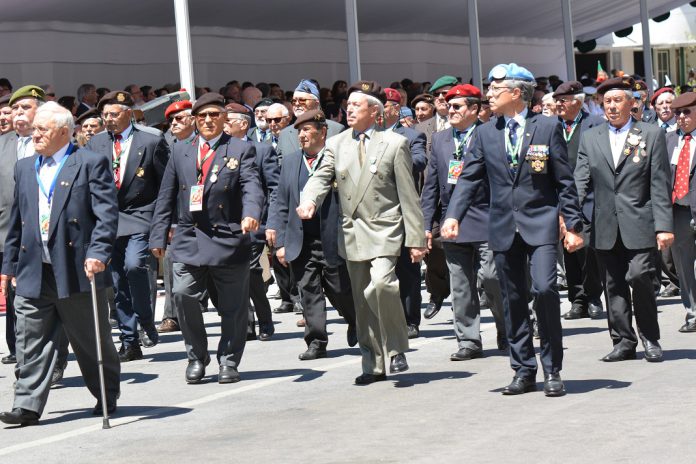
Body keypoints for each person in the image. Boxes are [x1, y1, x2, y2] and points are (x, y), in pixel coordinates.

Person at [441, 63, 585, 397]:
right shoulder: (485, 133)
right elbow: (469, 178)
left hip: (541, 224)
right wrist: (453, 215)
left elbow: (564, 181)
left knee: (546, 290)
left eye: (495, 89)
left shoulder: (547, 128)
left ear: (517, 93)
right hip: (504, 227)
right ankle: (523, 369)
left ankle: (552, 369)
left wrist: (573, 225)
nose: (489, 94)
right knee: (513, 299)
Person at [297, 81, 427, 385]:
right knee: (363, 301)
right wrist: (309, 200)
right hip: (352, 231)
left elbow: (409, 195)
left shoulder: (394, 144)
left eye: (357, 105)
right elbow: (320, 177)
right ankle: (373, 364)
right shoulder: (336, 144)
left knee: (382, 284)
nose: (350, 109)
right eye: (348, 105)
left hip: (385, 228)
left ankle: (396, 348)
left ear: (375, 111)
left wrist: (417, 239)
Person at [0, 102, 120, 426]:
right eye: (34, 128)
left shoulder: (89, 163)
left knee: (89, 338)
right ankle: (26, 405)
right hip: (34, 268)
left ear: (65, 132)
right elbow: (17, 221)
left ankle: (106, 392)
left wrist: (99, 252)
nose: (34, 134)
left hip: (76, 267)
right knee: (29, 338)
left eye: (43, 129)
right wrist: (8, 266)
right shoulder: (25, 167)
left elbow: (106, 215)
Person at [150, 93, 264, 384]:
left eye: (214, 115)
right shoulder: (180, 150)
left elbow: (252, 185)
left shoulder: (240, 148)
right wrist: (158, 235)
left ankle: (228, 360)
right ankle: (196, 356)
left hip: (227, 236)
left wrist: (251, 214)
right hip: (189, 236)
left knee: (233, 308)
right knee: (183, 295)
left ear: (224, 118)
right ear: (195, 120)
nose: (209, 121)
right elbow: (166, 195)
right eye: (203, 116)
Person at [575, 76, 673, 363]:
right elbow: (580, 179)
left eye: (618, 101)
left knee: (641, 276)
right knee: (613, 284)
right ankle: (623, 342)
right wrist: (568, 216)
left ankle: (650, 337)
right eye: (607, 102)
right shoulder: (591, 137)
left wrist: (664, 226)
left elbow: (659, 183)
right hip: (604, 223)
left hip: (640, 221)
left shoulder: (650, 134)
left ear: (633, 103)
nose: (612, 107)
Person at [421, 84, 507, 359]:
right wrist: (426, 225)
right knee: (460, 285)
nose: (451, 110)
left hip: (487, 217)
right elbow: (431, 186)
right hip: (452, 222)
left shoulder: (491, 133)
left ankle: (509, 328)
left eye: (457, 106)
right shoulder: (441, 139)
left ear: (474, 109)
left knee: (492, 278)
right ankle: (468, 340)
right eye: (448, 105)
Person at [86, 91, 170, 362]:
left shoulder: (151, 139)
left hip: (141, 214)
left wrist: (164, 222)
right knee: (117, 281)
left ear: (129, 113)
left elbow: (164, 184)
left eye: (114, 114)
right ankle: (129, 340)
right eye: (105, 115)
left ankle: (145, 319)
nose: (108, 119)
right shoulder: (96, 143)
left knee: (135, 267)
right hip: (109, 219)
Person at [270, 109, 358, 359]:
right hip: (301, 238)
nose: (302, 135)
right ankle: (316, 341)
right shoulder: (289, 162)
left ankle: (356, 321)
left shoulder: (338, 160)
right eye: (299, 131)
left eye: (308, 130)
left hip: (332, 237)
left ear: (323, 132)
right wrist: (280, 242)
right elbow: (281, 202)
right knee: (308, 291)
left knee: (340, 289)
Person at [224, 102, 279, 341]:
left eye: (227, 121)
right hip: (226, 224)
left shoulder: (261, 150)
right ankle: (246, 325)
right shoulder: (218, 150)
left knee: (252, 272)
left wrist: (272, 222)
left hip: (254, 222)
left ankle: (264, 319)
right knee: (236, 274)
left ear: (243, 125)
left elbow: (274, 188)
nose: (222, 126)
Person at [552, 81, 606, 320]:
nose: (558, 105)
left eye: (562, 100)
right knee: (568, 251)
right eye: (556, 100)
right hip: (557, 196)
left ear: (577, 101)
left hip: (588, 196)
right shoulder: (551, 126)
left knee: (587, 250)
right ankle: (577, 300)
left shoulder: (594, 124)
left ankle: (593, 296)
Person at [0, 85, 46, 366]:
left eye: (24, 107)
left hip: (44, 231)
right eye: (14, 108)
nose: (17, 113)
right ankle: (20, 353)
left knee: (43, 295)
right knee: (13, 292)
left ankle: (50, 355)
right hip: (7, 232)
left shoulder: (52, 142)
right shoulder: (3, 144)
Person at [381, 88, 427, 338]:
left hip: (401, 207)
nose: (380, 110)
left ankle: (410, 319)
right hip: (374, 211)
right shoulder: (363, 135)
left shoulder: (411, 135)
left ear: (395, 109)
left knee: (406, 269)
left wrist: (394, 158)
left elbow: (420, 161)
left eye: (385, 105)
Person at [158, 100, 197, 334]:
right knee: (172, 263)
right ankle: (171, 315)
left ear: (192, 119)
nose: (174, 124)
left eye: (179, 118)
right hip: (179, 217)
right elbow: (166, 187)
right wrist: (168, 222)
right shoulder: (166, 144)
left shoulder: (207, 141)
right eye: (171, 120)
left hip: (209, 216)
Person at [663, 92, 696, 333]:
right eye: (678, 113)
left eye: (687, 112)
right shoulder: (668, 140)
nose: (681, 117)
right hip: (678, 211)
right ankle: (693, 312)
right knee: (684, 265)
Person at [276, 79, 345, 159]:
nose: (297, 104)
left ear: (316, 103)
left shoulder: (336, 130)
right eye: (294, 101)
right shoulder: (285, 134)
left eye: (302, 100)